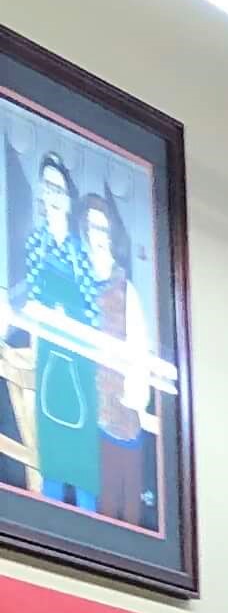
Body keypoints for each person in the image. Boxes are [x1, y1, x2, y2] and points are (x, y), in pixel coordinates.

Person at [13, 151, 103, 511]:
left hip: (80, 357)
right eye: (47, 187)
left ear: (68, 196)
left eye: (59, 188)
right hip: (50, 351)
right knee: (53, 446)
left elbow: (92, 309)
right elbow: (32, 296)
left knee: (81, 452)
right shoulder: (36, 243)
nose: (53, 194)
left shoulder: (82, 252)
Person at [79, 189, 155, 527]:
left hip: (120, 414)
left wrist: (133, 397)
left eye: (103, 229)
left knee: (120, 507)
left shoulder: (126, 291)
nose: (98, 237)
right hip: (82, 408)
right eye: (92, 228)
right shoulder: (77, 277)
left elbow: (140, 350)